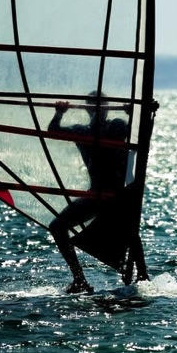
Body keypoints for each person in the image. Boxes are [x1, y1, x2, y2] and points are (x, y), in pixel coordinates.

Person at [46, 92, 144, 293]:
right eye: (93, 106)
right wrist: (59, 112)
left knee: (129, 228)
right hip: (96, 195)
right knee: (56, 226)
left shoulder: (117, 126)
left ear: (108, 108)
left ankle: (143, 275)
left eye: (102, 106)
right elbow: (53, 131)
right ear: (87, 109)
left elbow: (141, 133)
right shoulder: (81, 131)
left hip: (118, 194)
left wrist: (137, 113)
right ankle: (80, 280)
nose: (98, 110)